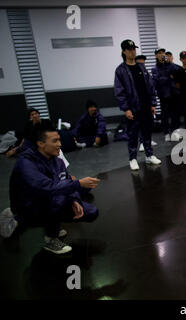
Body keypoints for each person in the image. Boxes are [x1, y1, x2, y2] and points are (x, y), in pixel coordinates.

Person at [9, 126, 100, 254]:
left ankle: (51, 223)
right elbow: (47, 188)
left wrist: (74, 200)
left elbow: (66, 181)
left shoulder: (58, 162)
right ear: (40, 144)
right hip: (27, 206)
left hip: (47, 201)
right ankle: (49, 237)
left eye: (59, 140)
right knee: (58, 197)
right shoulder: (26, 163)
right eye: (55, 141)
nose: (60, 144)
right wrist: (78, 184)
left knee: (91, 211)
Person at [114, 39, 161, 171]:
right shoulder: (121, 70)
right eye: (129, 50)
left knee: (147, 132)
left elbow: (150, 86)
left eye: (134, 49)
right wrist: (126, 108)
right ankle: (133, 158)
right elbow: (119, 91)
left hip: (145, 106)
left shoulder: (141, 67)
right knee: (133, 134)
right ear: (124, 51)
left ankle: (149, 155)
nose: (132, 52)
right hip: (132, 108)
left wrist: (153, 103)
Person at [151, 48, 181, 142]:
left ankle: (174, 131)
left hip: (174, 93)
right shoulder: (155, 68)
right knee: (165, 115)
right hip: (163, 95)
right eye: (159, 53)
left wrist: (168, 63)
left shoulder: (170, 65)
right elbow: (157, 81)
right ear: (156, 55)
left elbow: (178, 72)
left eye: (163, 53)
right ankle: (166, 133)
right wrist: (169, 77)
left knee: (175, 114)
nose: (162, 54)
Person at [135, 55, 158, 149]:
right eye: (140, 62)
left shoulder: (146, 73)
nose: (142, 64)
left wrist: (153, 103)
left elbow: (151, 88)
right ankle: (141, 142)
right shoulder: (133, 74)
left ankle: (148, 139)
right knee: (140, 123)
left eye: (143, 63)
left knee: (149, 123)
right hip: (137, 103)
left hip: (147, 102)